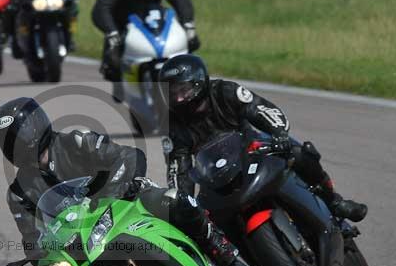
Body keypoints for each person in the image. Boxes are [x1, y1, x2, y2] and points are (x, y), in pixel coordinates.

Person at [0, 97, 250, 266]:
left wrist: (120, 188)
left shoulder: (75, 142)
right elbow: (31, 237)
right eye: (9, 139)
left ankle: (227, 257)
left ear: (37, 125)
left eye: (21, 133)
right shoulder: (18, 193)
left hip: (126, 202)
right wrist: (39, 256)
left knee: (176, 201)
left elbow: (126, 156)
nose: (18, 142)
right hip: (83, 239)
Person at [157, 54, 368, 223]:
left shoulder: (226, 91)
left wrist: (279, 133)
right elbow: (178, 167)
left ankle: (335, 202)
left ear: (198, 83)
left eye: (183, 90)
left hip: (254, 149)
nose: (178, 98)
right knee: (205, 217)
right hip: (215, 173)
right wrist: (182, 200)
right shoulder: (173, 124)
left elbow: (261, 109)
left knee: (299, 152)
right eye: (172, 92)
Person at [91, 0, 199, 101]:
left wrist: (189, 25)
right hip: (123, 18)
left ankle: (189, 79)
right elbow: (102, 7)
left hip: (154, 15)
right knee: (112, 60)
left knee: (191, 43)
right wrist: (112, 33)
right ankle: (119, 82)